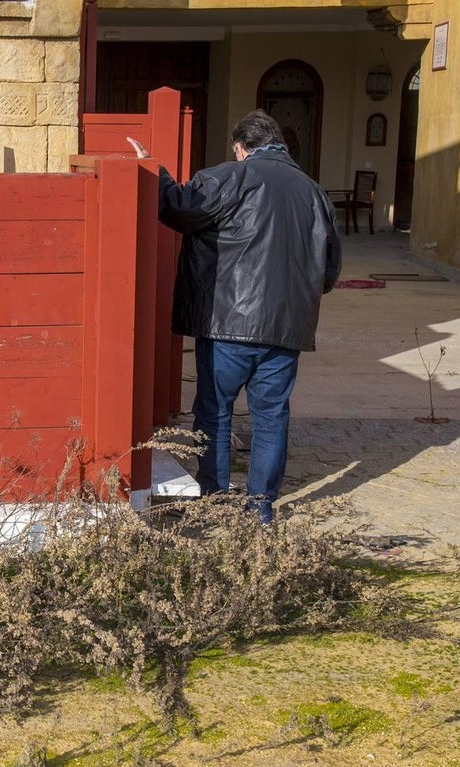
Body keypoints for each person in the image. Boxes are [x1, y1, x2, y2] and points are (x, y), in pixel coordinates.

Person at [128, 110, 342, 523]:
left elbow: (178, 208)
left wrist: (153, 169)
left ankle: (213, 498)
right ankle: (261, 507)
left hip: (228, 322)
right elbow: (329, 270)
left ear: (242, 147)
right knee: (272, 416)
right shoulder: (315, 193)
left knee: (214, 410)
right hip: (286, 329)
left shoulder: (229, 177)